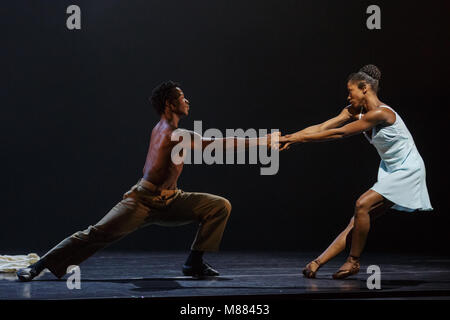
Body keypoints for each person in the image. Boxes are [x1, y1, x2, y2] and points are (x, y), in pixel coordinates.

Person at [17, 81, 278, 281]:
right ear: (169, 104)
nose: (187, 100)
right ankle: (38, 266)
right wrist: (263, 141)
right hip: (142, 201)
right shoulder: (173, 133)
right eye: (181, 97)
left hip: (172, 199)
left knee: (219, 206)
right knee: (95, 234)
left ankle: (194, 262)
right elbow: (219, 145)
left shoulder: (164, 127)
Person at [279, 65, 433, 279]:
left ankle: (353, 262)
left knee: (362, 204)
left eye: (350, 90)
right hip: (392, 170)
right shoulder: (357, 112)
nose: (347, 96)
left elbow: (340, 134)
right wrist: (290, 138)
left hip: (409, 170)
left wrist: (297, 139)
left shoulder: (381, 113)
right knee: (358, 219)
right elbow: (325, 126)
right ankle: (317, 263)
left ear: (364, 89)